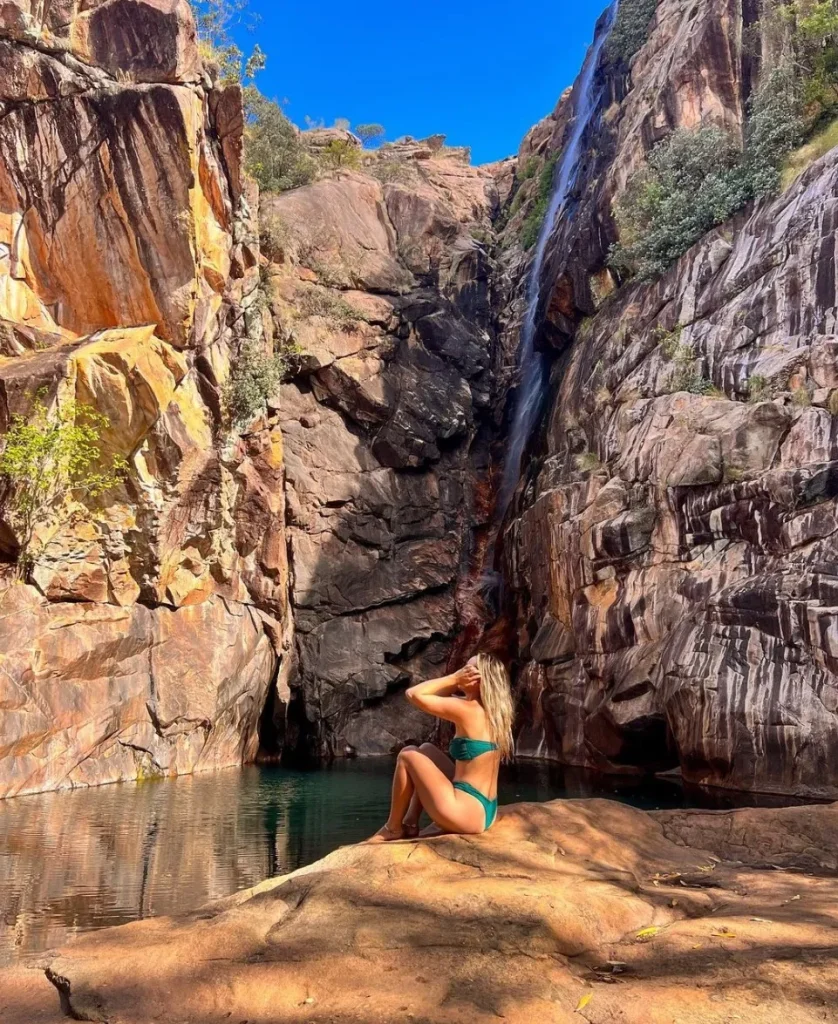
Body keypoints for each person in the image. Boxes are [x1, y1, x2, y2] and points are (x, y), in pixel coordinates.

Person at [367, 653, 514, 842]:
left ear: (480, 681)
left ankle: (393, 828)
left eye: (467, 670)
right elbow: (437, 695)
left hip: (466, 813)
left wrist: (453, 679)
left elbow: (413, 694)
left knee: (408, 755)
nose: (461, 672)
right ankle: (411, 822)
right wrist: (458, 681)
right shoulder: (490, 711)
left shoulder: (467, 710)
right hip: (484, 809)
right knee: (427, 749)